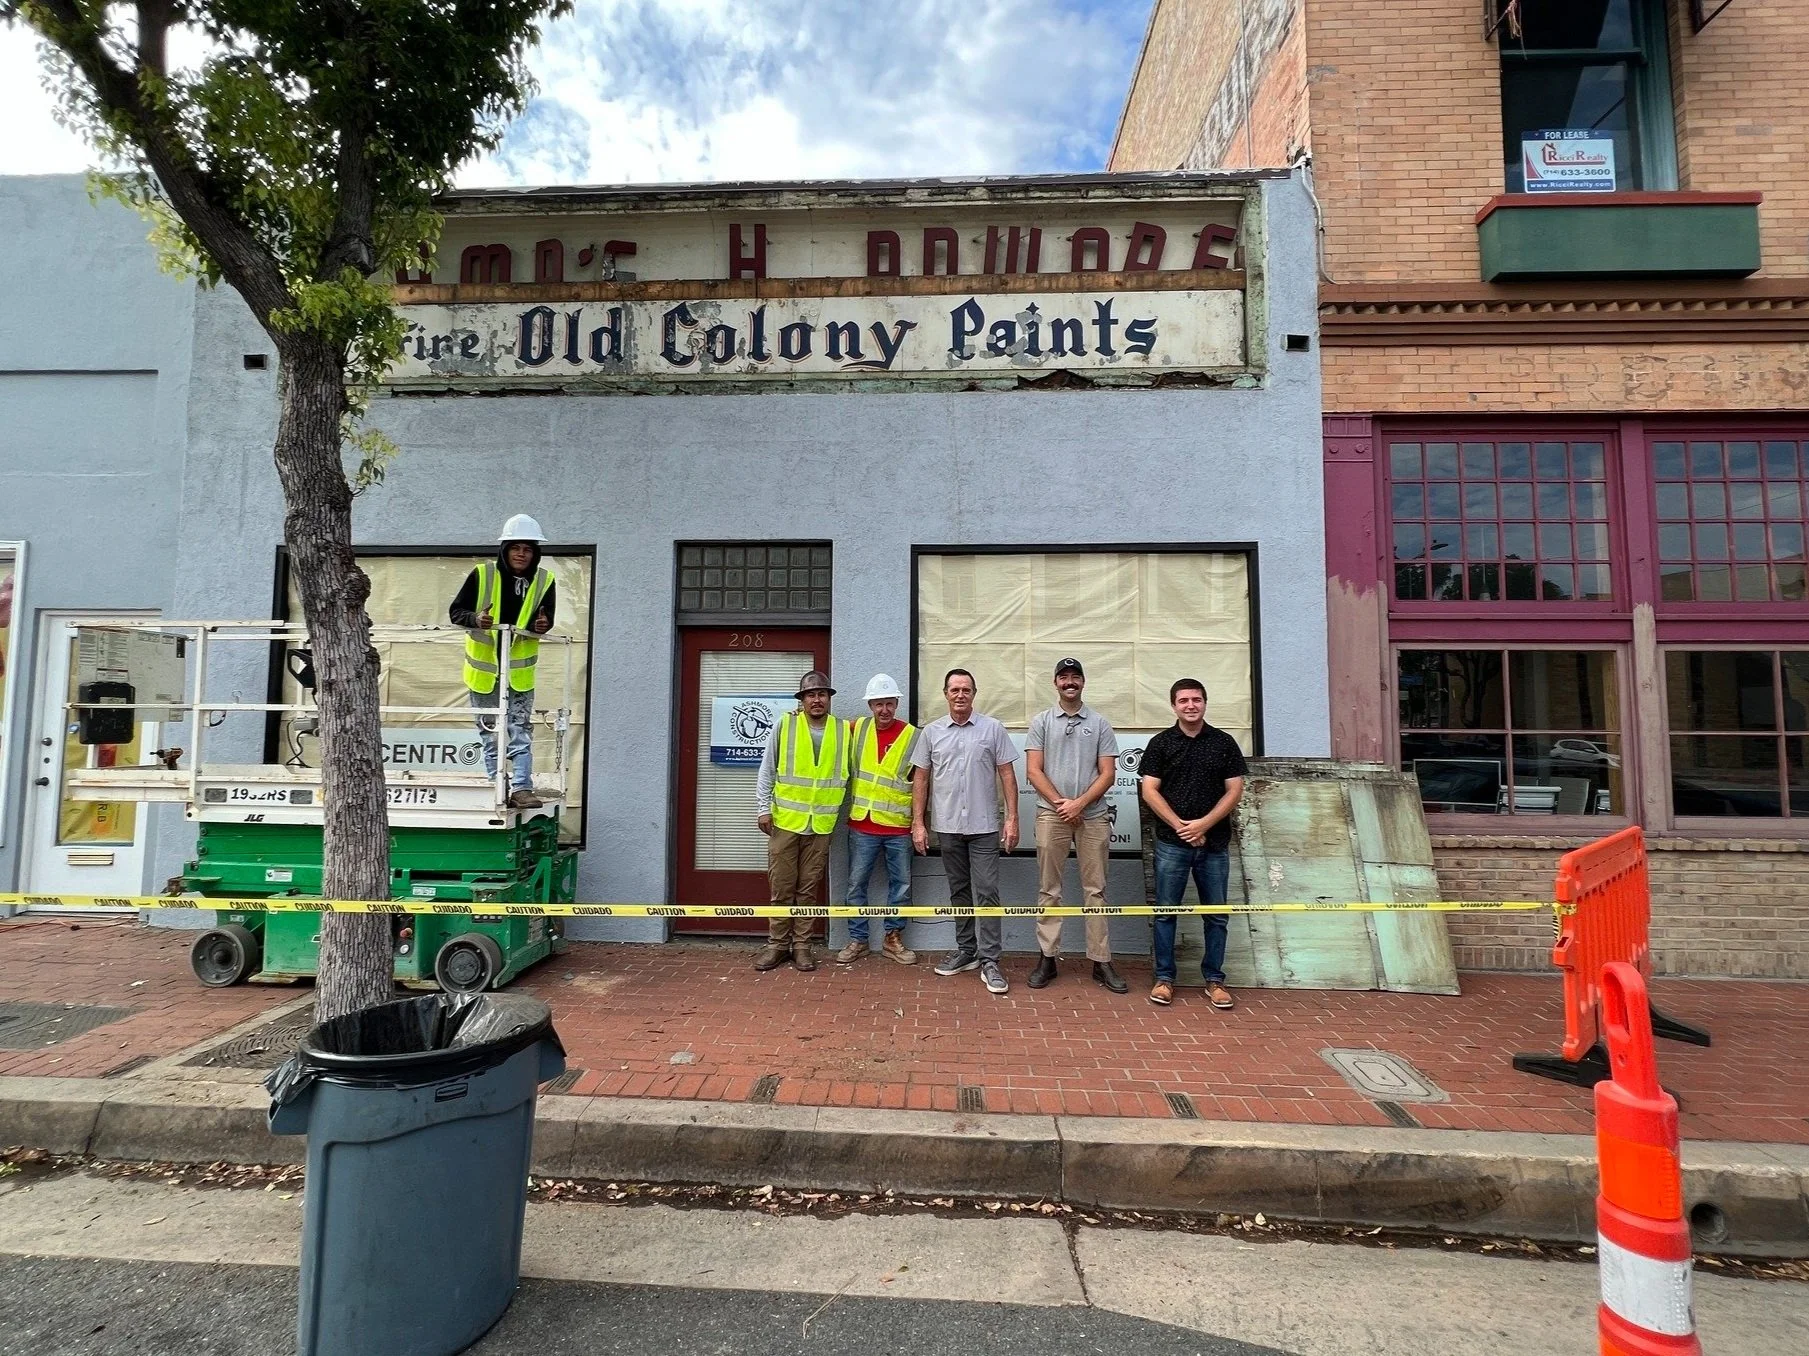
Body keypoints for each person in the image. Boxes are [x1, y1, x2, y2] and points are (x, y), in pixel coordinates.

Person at [1139, 678, 1247, 1010]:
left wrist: (1203, 825)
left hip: (1213, 844)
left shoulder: (1224, 743)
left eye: (1196, 700)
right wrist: (1181, 827)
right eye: (1183, 700)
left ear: (1204, 703)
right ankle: (1164, 979)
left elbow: (1234, 790)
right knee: (1166, 914)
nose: (1190, 705)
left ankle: (1214, 981)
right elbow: (1150, 791)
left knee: (1215, 916)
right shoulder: (1160, 744)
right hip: (1172, 844)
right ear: (1173, 705)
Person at [912, 668, 1019, 996]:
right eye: (954, 689)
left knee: (986, 892)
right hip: (947, 828)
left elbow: (1007, 775)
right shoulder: (931, 732)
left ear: (974, 694)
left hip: (984, 827)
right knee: (959, 892)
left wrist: (1012, 819)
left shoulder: (993, 729)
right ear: (945, 694)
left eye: (966, 690)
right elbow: (921, 779)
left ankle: (990, 960)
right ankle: (967, 951)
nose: (960, 695)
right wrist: (918, 822)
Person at [1024, 659, 1127, 994]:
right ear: (1056, 683)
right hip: (1052, 814)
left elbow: (1108, 773)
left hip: (1093, 815)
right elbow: (1034, 771)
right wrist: (1062, 805)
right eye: (1064, 677)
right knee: (1048, 889)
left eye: (1075, 677)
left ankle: (1100, 960)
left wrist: (1079, 804)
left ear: (1083, 682)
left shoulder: (1099, 723)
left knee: (1095, 890)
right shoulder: (1041, 722)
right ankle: (1048, 958)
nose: (1070, 682)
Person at [449, 514, 555, 809]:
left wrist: (543, 625)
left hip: (518, 674)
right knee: (490, 731)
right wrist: (476, 619)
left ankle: (522, 789)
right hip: (484, 673)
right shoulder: (482, 574)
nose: (521, 554)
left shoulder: (545, 580)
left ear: (535, 553)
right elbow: (456, 612)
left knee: (519, 729)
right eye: (515, 548)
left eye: (528, 548)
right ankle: (497, 784)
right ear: (505, 550)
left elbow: (545, 620)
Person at [755, 670, 848, 973]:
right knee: (781, 887)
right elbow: (767, 769)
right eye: (811, 695)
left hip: (821, 825)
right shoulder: (786, 724)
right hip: (785, 821)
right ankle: (777, 946)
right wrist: (762, 808)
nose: (817, 699)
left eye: (822, 694)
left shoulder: (843, 730)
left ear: (829, 698)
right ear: (802, 699)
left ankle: (802, 947)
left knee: (808, 889)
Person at [837, 673, 919, 966]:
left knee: (902, 885)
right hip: (862, 825)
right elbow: (823, 728)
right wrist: (799, 717)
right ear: (869, 705)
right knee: (855, 885)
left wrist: (919, 823)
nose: (884, 710)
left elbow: (922, 782)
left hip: (898, 827)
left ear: (896, 703)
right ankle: (858, 940)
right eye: (877, 704)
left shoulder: (912, 735)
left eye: (889, 703)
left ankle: (892, 939)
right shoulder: (856, 728)